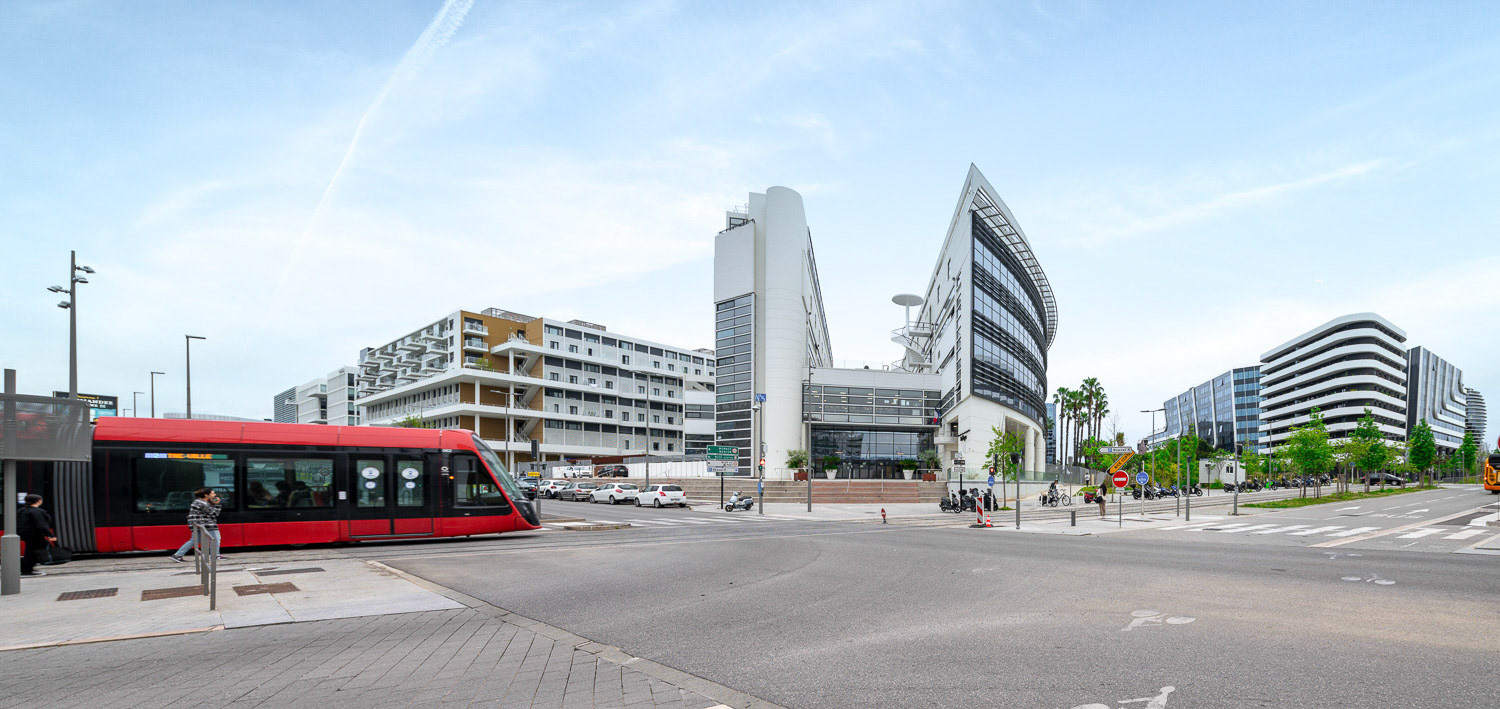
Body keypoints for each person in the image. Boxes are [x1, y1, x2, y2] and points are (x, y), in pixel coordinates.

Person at [168, 488, 224, 562]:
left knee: (195, 540)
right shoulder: (201, 503)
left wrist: (212, 503)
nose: (215, 495)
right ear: (206, 495)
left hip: (197, 524)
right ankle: (215, 555)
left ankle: (177, 555)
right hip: (206, 524)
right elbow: (214, 513)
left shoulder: (200, 502)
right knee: (216, 538)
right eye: (213, 493)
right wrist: (217, 504)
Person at [17, 494, 56, 577]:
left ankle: (27, 568)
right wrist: (50, 535)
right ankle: (26, 569)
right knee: (35, 551)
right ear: (39, 501)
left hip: (25, 534)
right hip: (35, 535)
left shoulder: (21, 510)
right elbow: (41, 524)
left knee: (31, 550)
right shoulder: (37, 511)